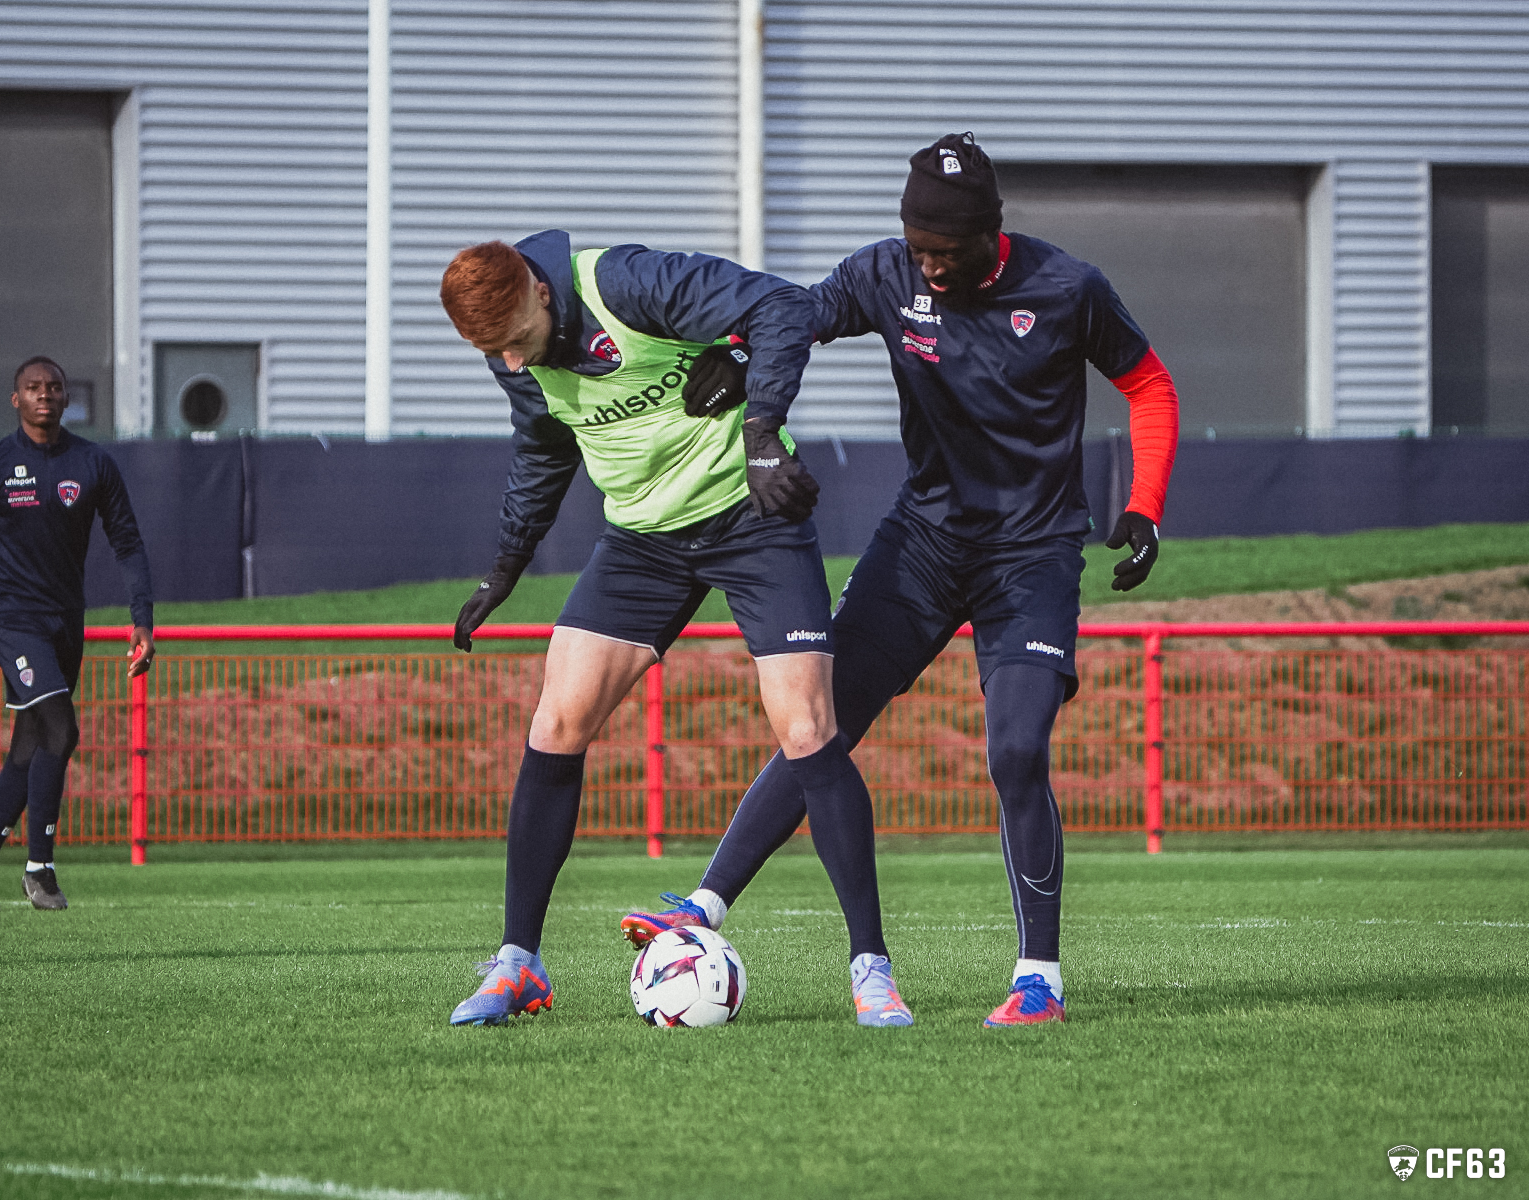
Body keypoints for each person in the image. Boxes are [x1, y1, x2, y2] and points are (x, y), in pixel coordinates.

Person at [621, 132, 1180, 1027]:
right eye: (918, 247)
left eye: (946, 250)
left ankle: (1039, 978)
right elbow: (796, 310)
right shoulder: (888, 275)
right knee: (817, 725)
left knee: (1018, 751)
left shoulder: (1070, 288)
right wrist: (733, 347)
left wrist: (1146, 506)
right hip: (921, 544)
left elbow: (1149, 386)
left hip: (1032, 555)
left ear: (990, 234)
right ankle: (703, 906)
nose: (929, 265)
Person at [439, 231, 912, 1027]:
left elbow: (782, 308)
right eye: (497, 355)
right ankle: (518, 963)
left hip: (750, 518)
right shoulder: (511, 352)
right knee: (556, 720)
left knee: (806, 728)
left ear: (540, 292)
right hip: (641, 542)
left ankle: (872, 969)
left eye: (517, 342)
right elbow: (543, 447)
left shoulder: (625, 281)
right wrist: (505, 568)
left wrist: (762, 430)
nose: (514, 365)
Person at [0, 356, 155, 911]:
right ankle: (40, 868)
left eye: (54, 388)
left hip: (65, 623)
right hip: (10, 619)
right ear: (16, 400)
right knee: (62, 728)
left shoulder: (92, 462)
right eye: (33, 388)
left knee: (29, 749)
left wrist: (142, 619)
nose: (44, 395)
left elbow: (127, 542)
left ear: (65, 398)